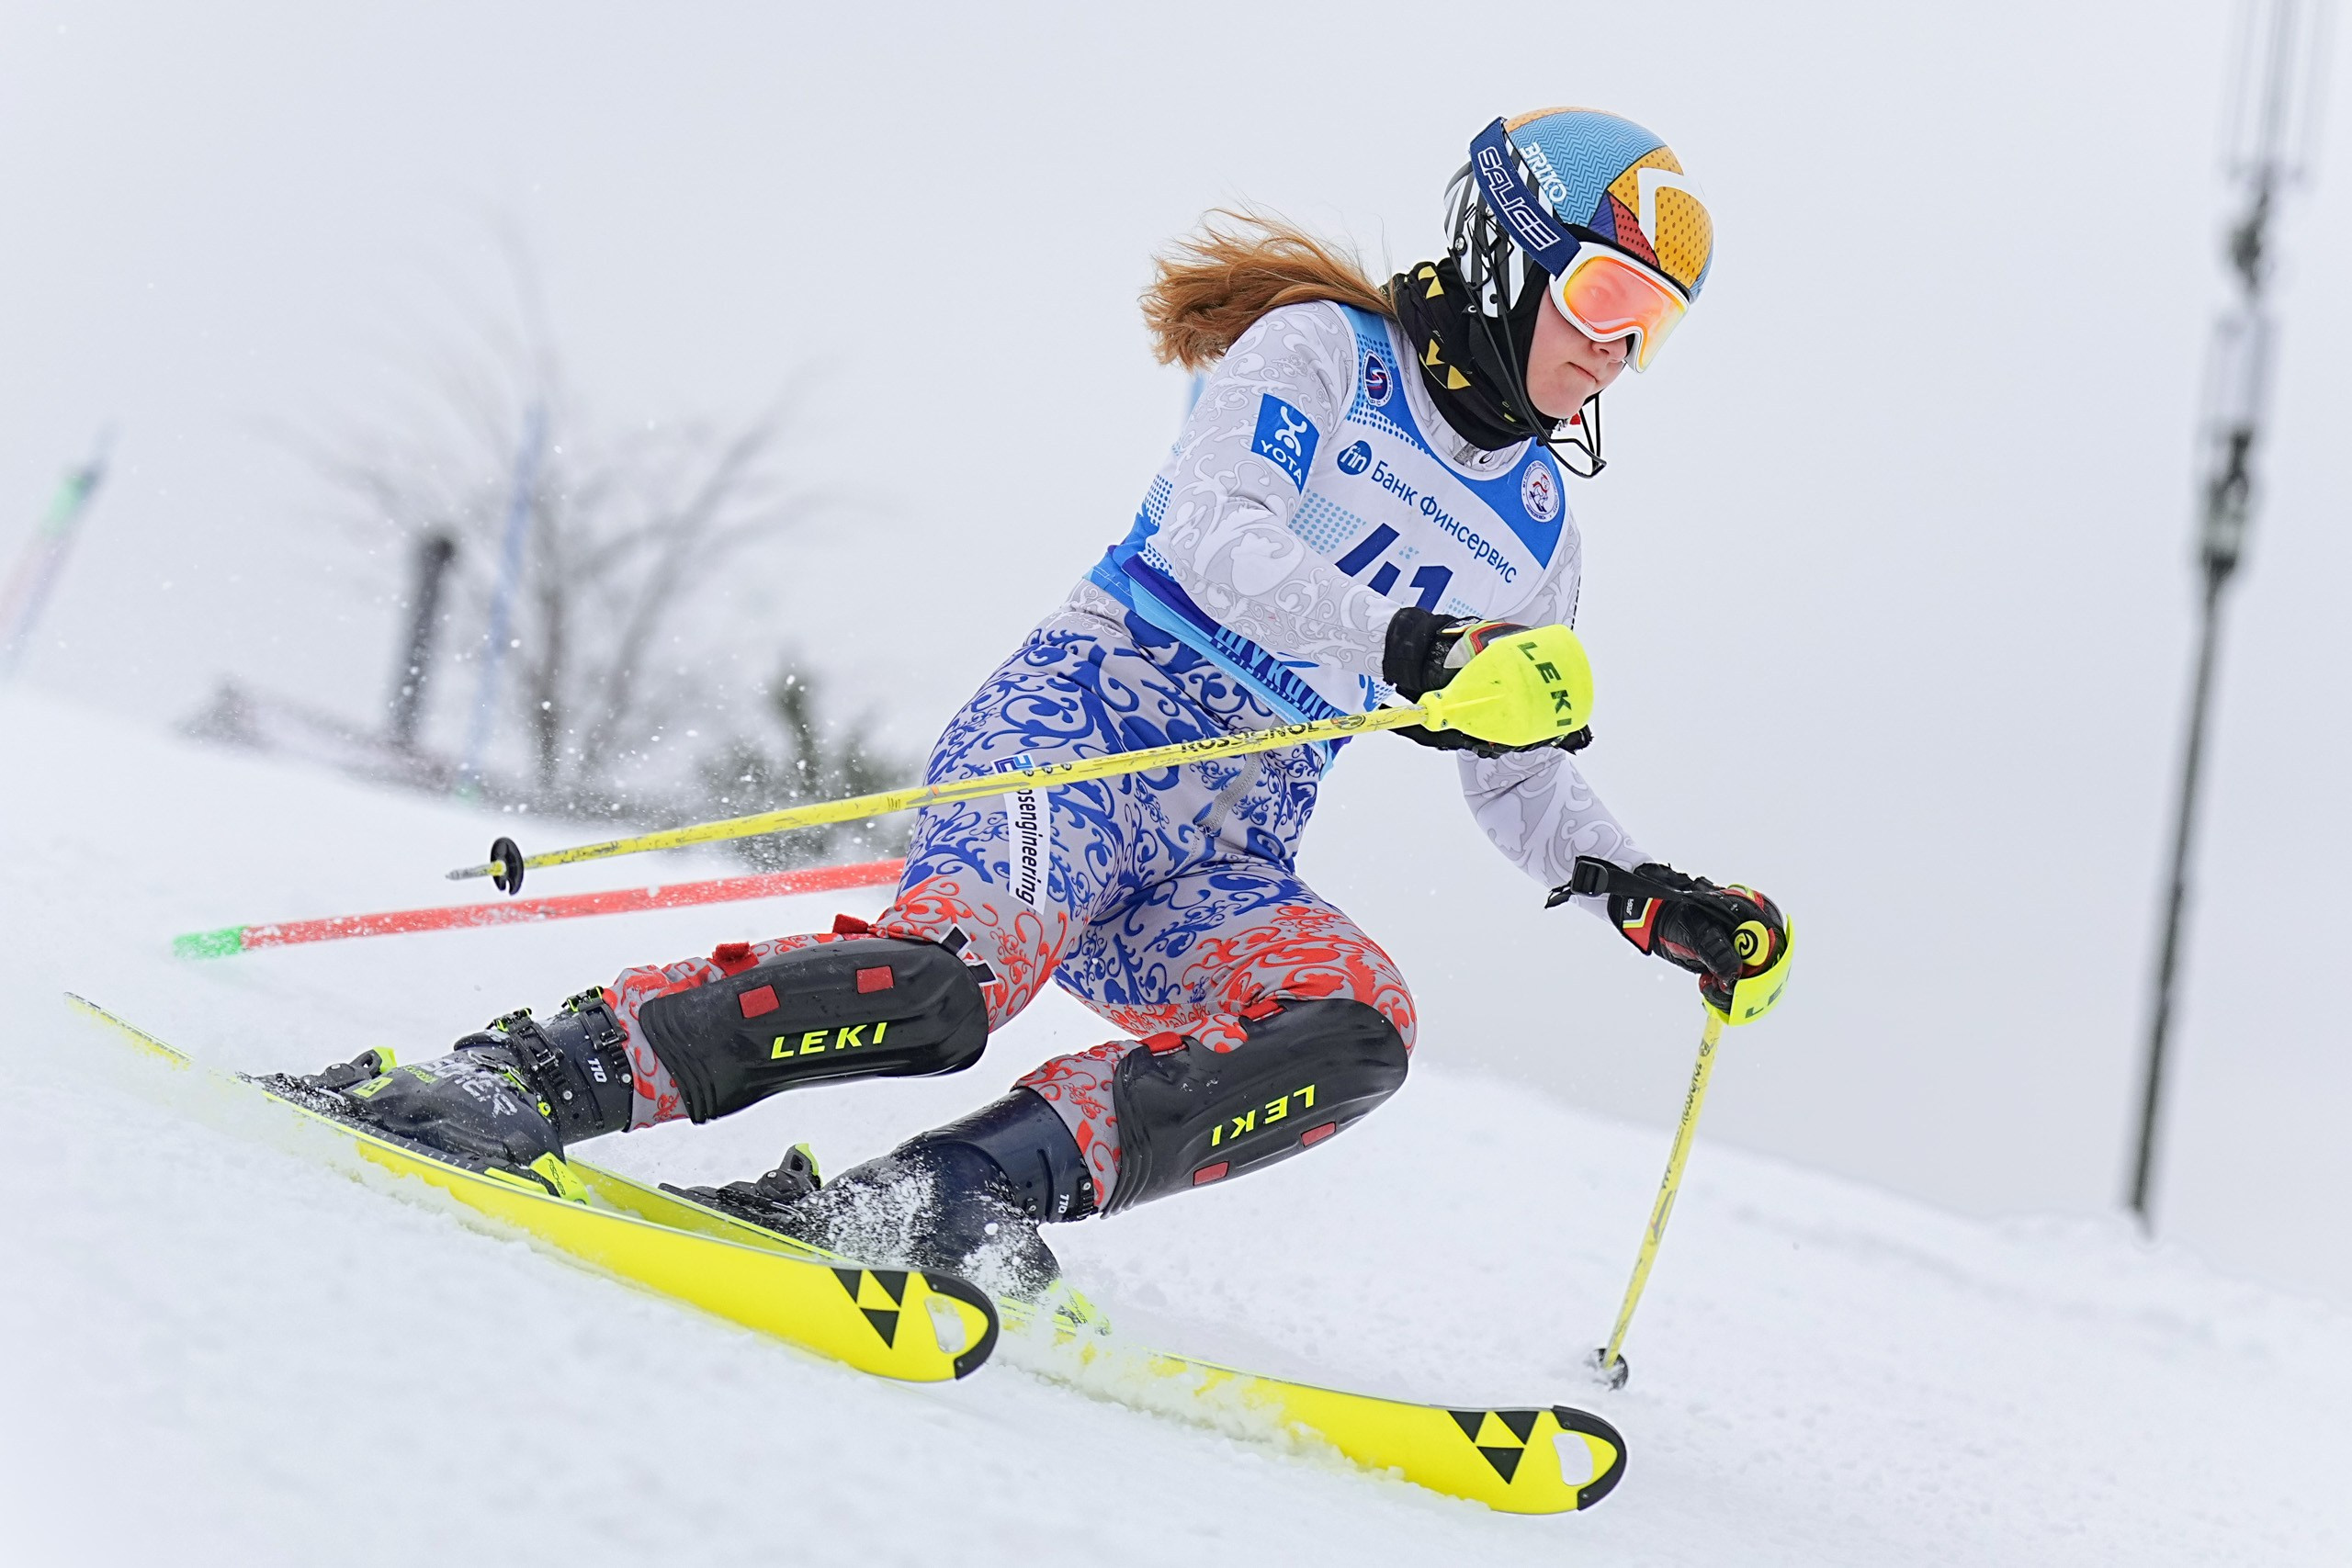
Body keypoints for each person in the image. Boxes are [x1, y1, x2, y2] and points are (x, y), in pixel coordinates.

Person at [300, 107, 1790, 1297]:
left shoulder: (1540, 530)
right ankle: (530, 1074)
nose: (1613, 348)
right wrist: (1411, 650)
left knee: (1354, 1020)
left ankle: (939, 1198)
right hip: (1074, 742)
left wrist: (1645, 895)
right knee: (958, 986)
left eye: (1649, 329)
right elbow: (1221, 539)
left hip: (1220, 856)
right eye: (1600, 294)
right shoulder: (1324, 355)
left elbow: (1515, 774)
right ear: (1505, 250)